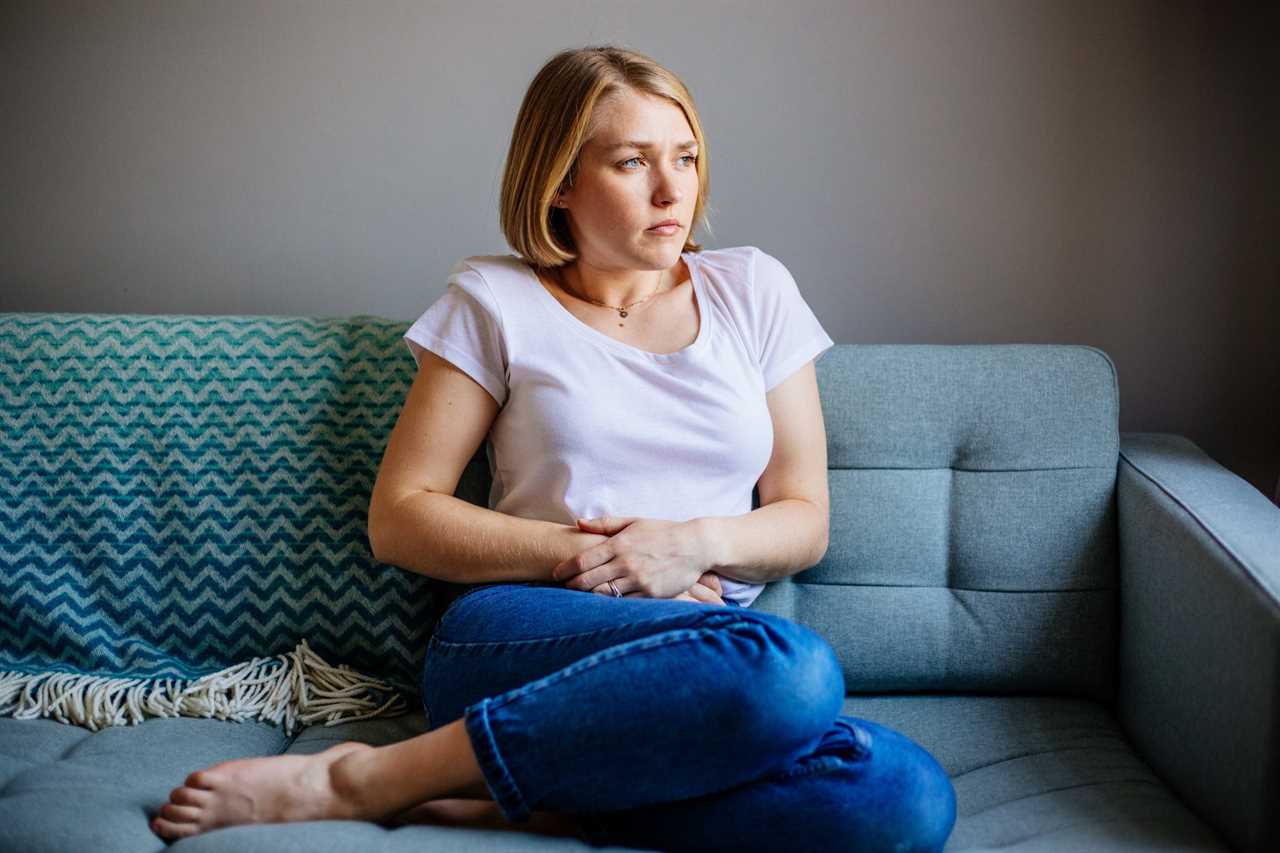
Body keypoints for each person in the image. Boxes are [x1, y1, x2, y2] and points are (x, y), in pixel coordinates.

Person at [150, 45, 957, 852]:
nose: (674, 189)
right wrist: (600, 559)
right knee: (795, 670)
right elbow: (400, 515)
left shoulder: (754, 289)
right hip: (522, 629)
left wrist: (690, 547)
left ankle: (545, 803)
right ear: (561, 182)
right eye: (633, 162)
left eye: (685, 157)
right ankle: (358, 778)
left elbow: (804, 517)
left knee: (908, 799)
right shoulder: (495, 300)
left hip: (704, 656)